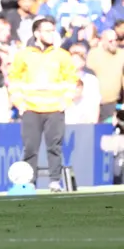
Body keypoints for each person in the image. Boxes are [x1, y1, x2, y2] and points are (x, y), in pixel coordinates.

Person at [8, 17, 78, 192]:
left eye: (52, 30)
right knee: (30, 148)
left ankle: (55, 181)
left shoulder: (62, 55)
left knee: (54, 147)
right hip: (30, 108)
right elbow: (14, 78)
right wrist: (19, 103)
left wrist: (66, 101)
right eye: (47, 30)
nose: (51, 34)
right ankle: (29, 182)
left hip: (55, 108)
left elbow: (71, 79)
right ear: (36, 33)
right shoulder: (23, 55)